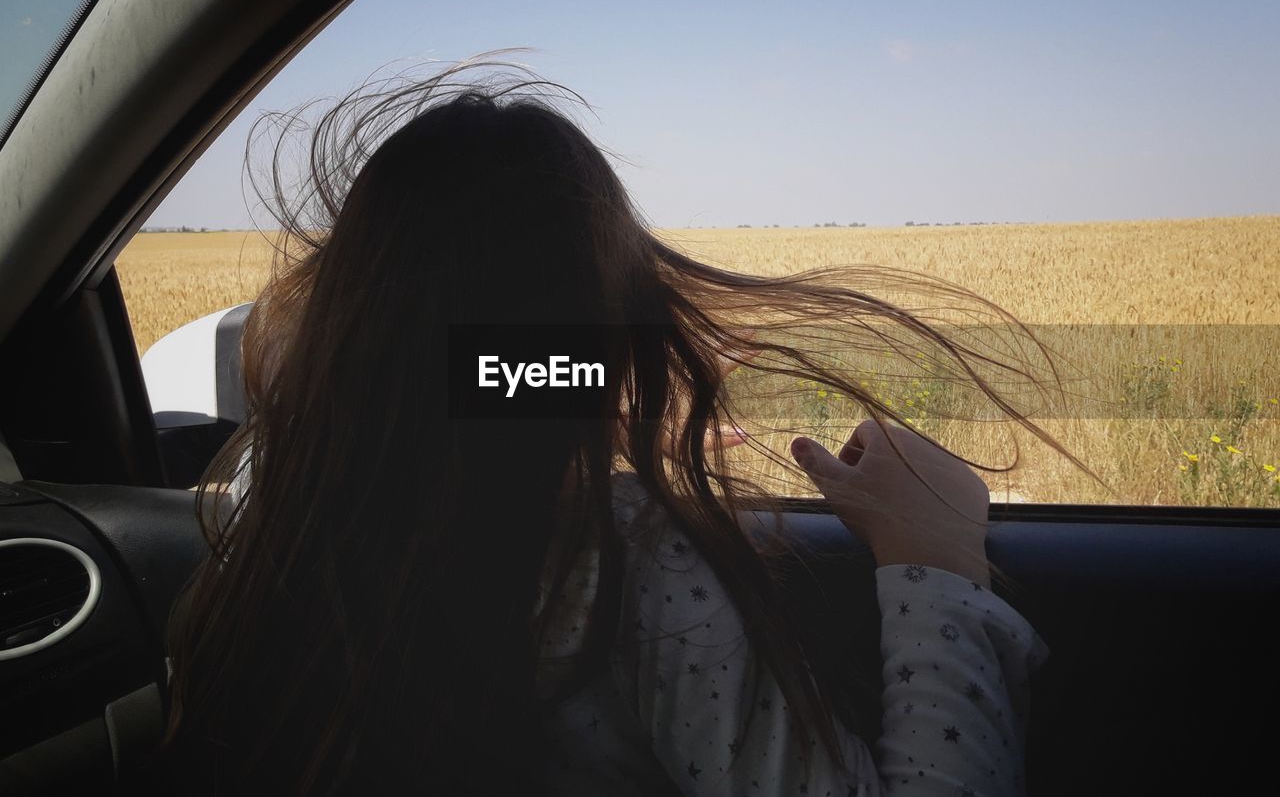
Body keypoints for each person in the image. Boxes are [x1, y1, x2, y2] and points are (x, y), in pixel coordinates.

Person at [153, 59, 1064, 796]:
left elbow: (448, 393)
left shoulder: (265, 503)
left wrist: (598, 432)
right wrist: (935, 561)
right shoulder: (631, 572)